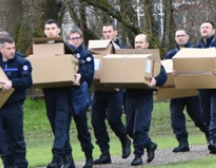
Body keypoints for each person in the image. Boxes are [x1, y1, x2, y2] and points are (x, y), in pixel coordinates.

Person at [0, 36, 33, 168]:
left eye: (13, 48)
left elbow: (28, 82)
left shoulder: (22, 63)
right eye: (9, 48)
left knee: (17, 140)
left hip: (13, 107)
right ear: (1, 49)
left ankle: (21, 165)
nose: (12, 51)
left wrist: (12, 83)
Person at [125, 34, 167, 166]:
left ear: (147, 45)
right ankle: (149, 145)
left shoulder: (153, 60)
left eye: (141, 43)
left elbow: (163, 76)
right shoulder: (128, 59)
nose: (138, 45)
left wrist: (155, 80)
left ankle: (138, 155)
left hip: (145, 97)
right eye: (136, 42)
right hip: (130, 97)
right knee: (130, 130)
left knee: (139, 129)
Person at [92, 23, 131, 165]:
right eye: (104, 32)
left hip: (116, 89)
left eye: (109, 31)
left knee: (113, 119)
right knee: (96, 121)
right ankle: (105, 153)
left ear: (115, 32)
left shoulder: (122, 49)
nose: (107, 34)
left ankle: (125, 140)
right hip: (99, 89)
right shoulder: (97, 48)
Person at [164, 29, 208, 154]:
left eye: (182, 35)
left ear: (188, 37)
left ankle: (210, 135)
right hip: (176, 91)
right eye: (177, 36)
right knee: (175, 116)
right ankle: (183, 143)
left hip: (193, 90)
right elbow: (164, 72)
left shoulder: (194, 51)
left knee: (198, 116)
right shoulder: (170, 55)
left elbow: (202, 67)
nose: (180, 38)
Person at [192, 21, 216, 154]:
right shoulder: (196, 48)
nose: (204, 29)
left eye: (207, 27)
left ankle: (214, 140)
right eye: (202, 27)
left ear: (213, 31)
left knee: (215, 113)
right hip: (203, 86)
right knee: (206, 115)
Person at [41, 20, 76, 168]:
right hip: (48, 92)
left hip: (64, 92)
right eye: (48, 29)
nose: (50, 31)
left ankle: (57, 158)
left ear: (58, 30)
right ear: (44, 31)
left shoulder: (66, 47)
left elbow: (74, 64)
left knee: (61, 125)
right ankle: (68, 159)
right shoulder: (38, 48)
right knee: (56, 126)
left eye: (53, 28)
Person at [65, 27, 96, 168]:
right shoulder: (64, 54)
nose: (75, 41)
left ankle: (89, 156)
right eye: (72, 38)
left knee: (83, 129)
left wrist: (80, 76)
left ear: (81, 39)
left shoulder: (87, 55)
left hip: (80, 96)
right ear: (68, 40)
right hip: (65, 97)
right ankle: (68, 160)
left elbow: (90, 76)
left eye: (77, 38)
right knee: (63, 131)